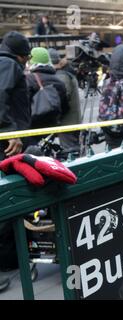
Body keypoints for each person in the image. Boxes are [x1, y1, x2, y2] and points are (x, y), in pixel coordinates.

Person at [0, 31, 32, 292]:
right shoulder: (9, 64)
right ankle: (8, 259)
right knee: (8, 197)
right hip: (7, 144)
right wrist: (12, 131)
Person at [26, 47, 68, 147]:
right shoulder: (59, 82)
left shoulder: (28, 80)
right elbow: (65, 107)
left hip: (31, 128)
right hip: (51, 128)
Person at [48, 48, 81, 158]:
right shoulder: (66, 72)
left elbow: (62, 99)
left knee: (70, 153)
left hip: (68, 123)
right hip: (71, 122)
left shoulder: (61, 76)